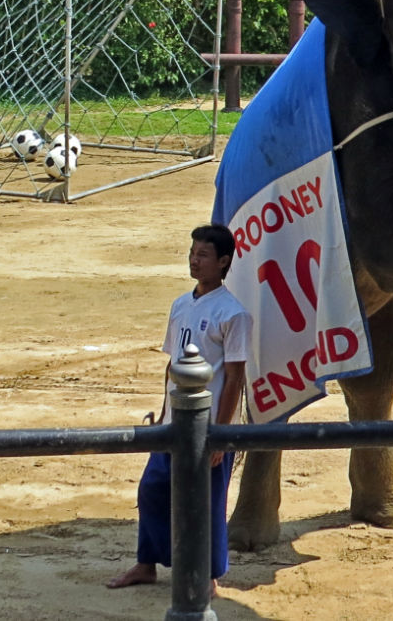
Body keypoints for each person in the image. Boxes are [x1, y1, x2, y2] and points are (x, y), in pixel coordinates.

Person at [106, 223, 253, 592]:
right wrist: (161, 413)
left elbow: (235, 378)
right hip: (174, 423)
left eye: (203, 255)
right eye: (192, 253)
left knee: (208, 502)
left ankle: (209, 575)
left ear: (222, 262)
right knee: (153, 490)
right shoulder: (180, 305)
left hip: (209, 427)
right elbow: (171, 367)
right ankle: (147, 563)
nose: (194, 261)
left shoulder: (233, 314)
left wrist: (220, 436)